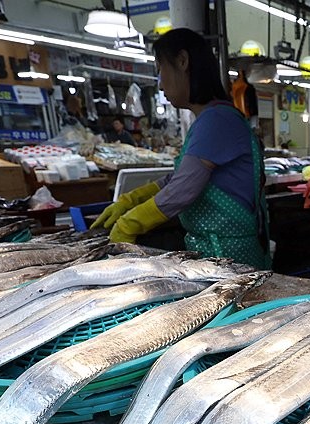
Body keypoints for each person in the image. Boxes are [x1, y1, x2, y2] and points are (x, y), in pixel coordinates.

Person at [91, 28, 271, 269]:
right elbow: (179, 178)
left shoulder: (216, 121)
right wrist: (128, 201)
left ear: (182, 61)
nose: (160, 84)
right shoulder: (213, 118)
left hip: (230, 259)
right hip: (216, 252)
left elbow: (183, 189)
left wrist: (129, 224)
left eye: (160, 70)